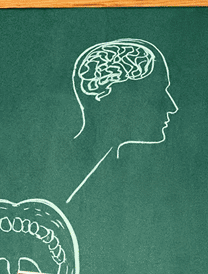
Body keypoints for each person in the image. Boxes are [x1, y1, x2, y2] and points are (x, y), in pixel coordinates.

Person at [67, 39, 177, 199]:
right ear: (104, 93)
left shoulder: (122, 185)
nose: (171, 107)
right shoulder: (55, 173)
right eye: (155, 94)